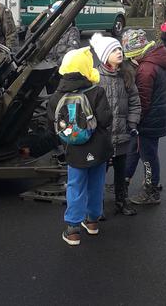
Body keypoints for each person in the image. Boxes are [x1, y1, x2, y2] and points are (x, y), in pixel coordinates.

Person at [46, 47, 112, 246]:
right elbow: (106, 119)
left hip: (74, 151)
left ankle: (73, 229)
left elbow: (52, 125)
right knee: (96, 184)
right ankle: (92, 222)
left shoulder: (56, 96)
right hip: (98, 149)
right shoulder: (96, 91)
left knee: (75, 186)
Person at [90, 33, 141, 216]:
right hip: (102, 136)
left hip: (123, 134)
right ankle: (97, 206)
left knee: (121, 170)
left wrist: (132, 122)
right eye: (114, 50)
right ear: (104, 55)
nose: (119, 52)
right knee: (99, 172)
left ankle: (122, 200)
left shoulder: (126, 75)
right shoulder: (95, 77)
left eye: (119, 48)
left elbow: (135, 101)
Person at [122, 29, 166, 205]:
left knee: (148, 156)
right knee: (140, 150)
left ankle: (151, 190)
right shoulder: (158, 58)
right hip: (159, 115)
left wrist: (134, 120)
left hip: (148, 119)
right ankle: (126, 179)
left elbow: (142, 100)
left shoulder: (145, 69)